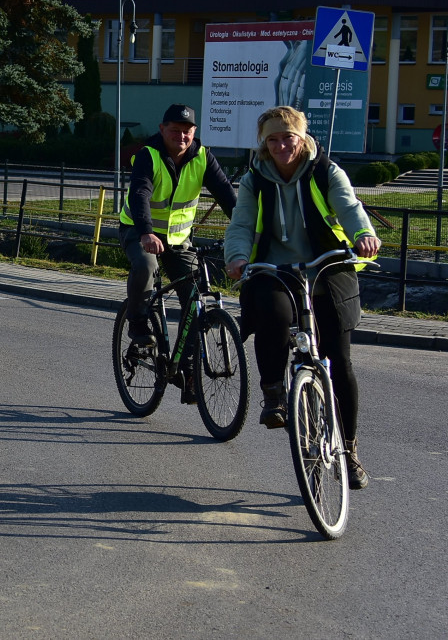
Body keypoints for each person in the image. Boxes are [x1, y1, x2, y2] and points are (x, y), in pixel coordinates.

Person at [224, 106, 381, 489]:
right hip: (275, 268)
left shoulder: (325, 170)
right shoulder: (254, 179)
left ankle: (349, 448)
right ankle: (274, 395)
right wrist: (238, 256)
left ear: (301, 137)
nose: (281, 146)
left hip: (327, 267)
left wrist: (363, 234)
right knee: (272, 313)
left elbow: (348, 205)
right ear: (264, 143)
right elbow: (242, 222)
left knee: (339, 361)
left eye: (288, 137)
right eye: (272, 139)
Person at [119, 104, 237, 403]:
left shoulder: (202, 157)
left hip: (178, 239)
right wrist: (146, 232)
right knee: (146, 267)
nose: (181, 137)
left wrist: (246, 231)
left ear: (194, 132)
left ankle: (186, 370)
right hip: (139, 230)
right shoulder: (149, 155)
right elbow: (140, 193)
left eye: (187, 132)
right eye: (175, 131)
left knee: (193, 297)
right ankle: (137, 322)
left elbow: (225, 193)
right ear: (162, 130)